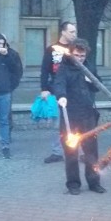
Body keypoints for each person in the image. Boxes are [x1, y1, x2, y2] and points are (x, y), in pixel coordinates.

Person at [53, 39, 105, 195]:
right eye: (77, 55)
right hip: (70, 115)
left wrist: (92, 82)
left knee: (91, 151)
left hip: (88, 114)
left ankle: (94, 183)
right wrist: (61, 96)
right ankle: (73, 184)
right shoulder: (64, 68)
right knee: (71, 152)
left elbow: (98, 87)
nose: (80, 58)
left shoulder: (88, 66)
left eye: (82, 55)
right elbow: (59, 83)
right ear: (71, 53)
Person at [40, 21, 77, 163]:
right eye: (71, 32)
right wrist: (44, 88)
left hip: (74, 90)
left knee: (75, 121)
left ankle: (75, 149)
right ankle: (57, 151)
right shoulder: (52, 50)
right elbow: (44, 69)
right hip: (56, 90)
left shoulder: (76, 48)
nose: (74, 34)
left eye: (75, 32)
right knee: (57, 123)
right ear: (63, 32)